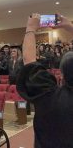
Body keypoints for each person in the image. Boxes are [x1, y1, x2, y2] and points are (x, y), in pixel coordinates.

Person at [17, 13, 73, 148]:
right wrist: (70, 27)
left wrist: (30, 28)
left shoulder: (48, 95)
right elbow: (30, 62)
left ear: (61, 75)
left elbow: (29, 63)